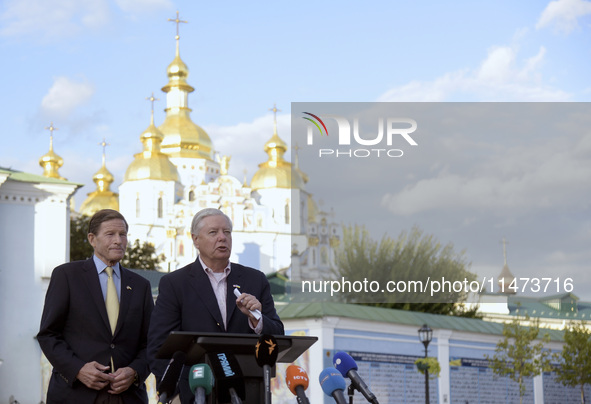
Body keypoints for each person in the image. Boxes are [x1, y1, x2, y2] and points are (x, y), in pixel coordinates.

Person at [147, 208, 284, 403]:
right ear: (195, 239)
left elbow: (278, 334)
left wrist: (257, 319)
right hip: (193, 392)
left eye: (227, 232)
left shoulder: (255, 280)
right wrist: (173, 393)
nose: (222, 238)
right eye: (213, 232)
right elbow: (159, 347)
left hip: (247, 389)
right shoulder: (175, 283)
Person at [37, 209, 154, 404]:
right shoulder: (67, 276)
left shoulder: (141, 285)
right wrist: (78, 369)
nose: (118, 240)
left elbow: (151, 342)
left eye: (123, 234)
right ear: (92, 239)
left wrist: (135, 372)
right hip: (75, 394)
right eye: (110, 234)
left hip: (127, 398)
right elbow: (48, 335)